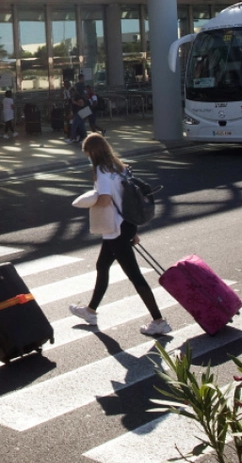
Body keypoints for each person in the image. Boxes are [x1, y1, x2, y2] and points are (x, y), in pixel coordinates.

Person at [69, 133, 172, 337]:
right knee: (102, 266)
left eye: (87, 154)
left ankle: (158, 320)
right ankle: (90, 311)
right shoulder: (120, 167)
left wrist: (89, 202)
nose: (87, 158)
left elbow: (105, 200)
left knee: (135, 275)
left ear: (92, 152)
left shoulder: (102, 170)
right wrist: (133, 230)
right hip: (125, 225)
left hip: (116, 228)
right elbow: (129, 200)